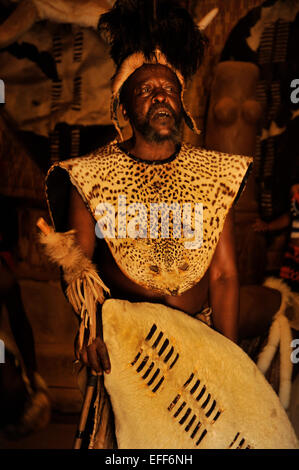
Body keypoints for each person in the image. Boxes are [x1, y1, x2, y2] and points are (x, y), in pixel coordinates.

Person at [42, 0, 252, 447]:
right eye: (145, 91)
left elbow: (225, 273)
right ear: (123, 109)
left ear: (182, 101)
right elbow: (79, 270)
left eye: (168, 88)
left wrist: (232, 363)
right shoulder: (91, 177)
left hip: (201, 340)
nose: (159, 96)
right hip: (130, 348)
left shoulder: (215, 174)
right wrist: (92, 332)